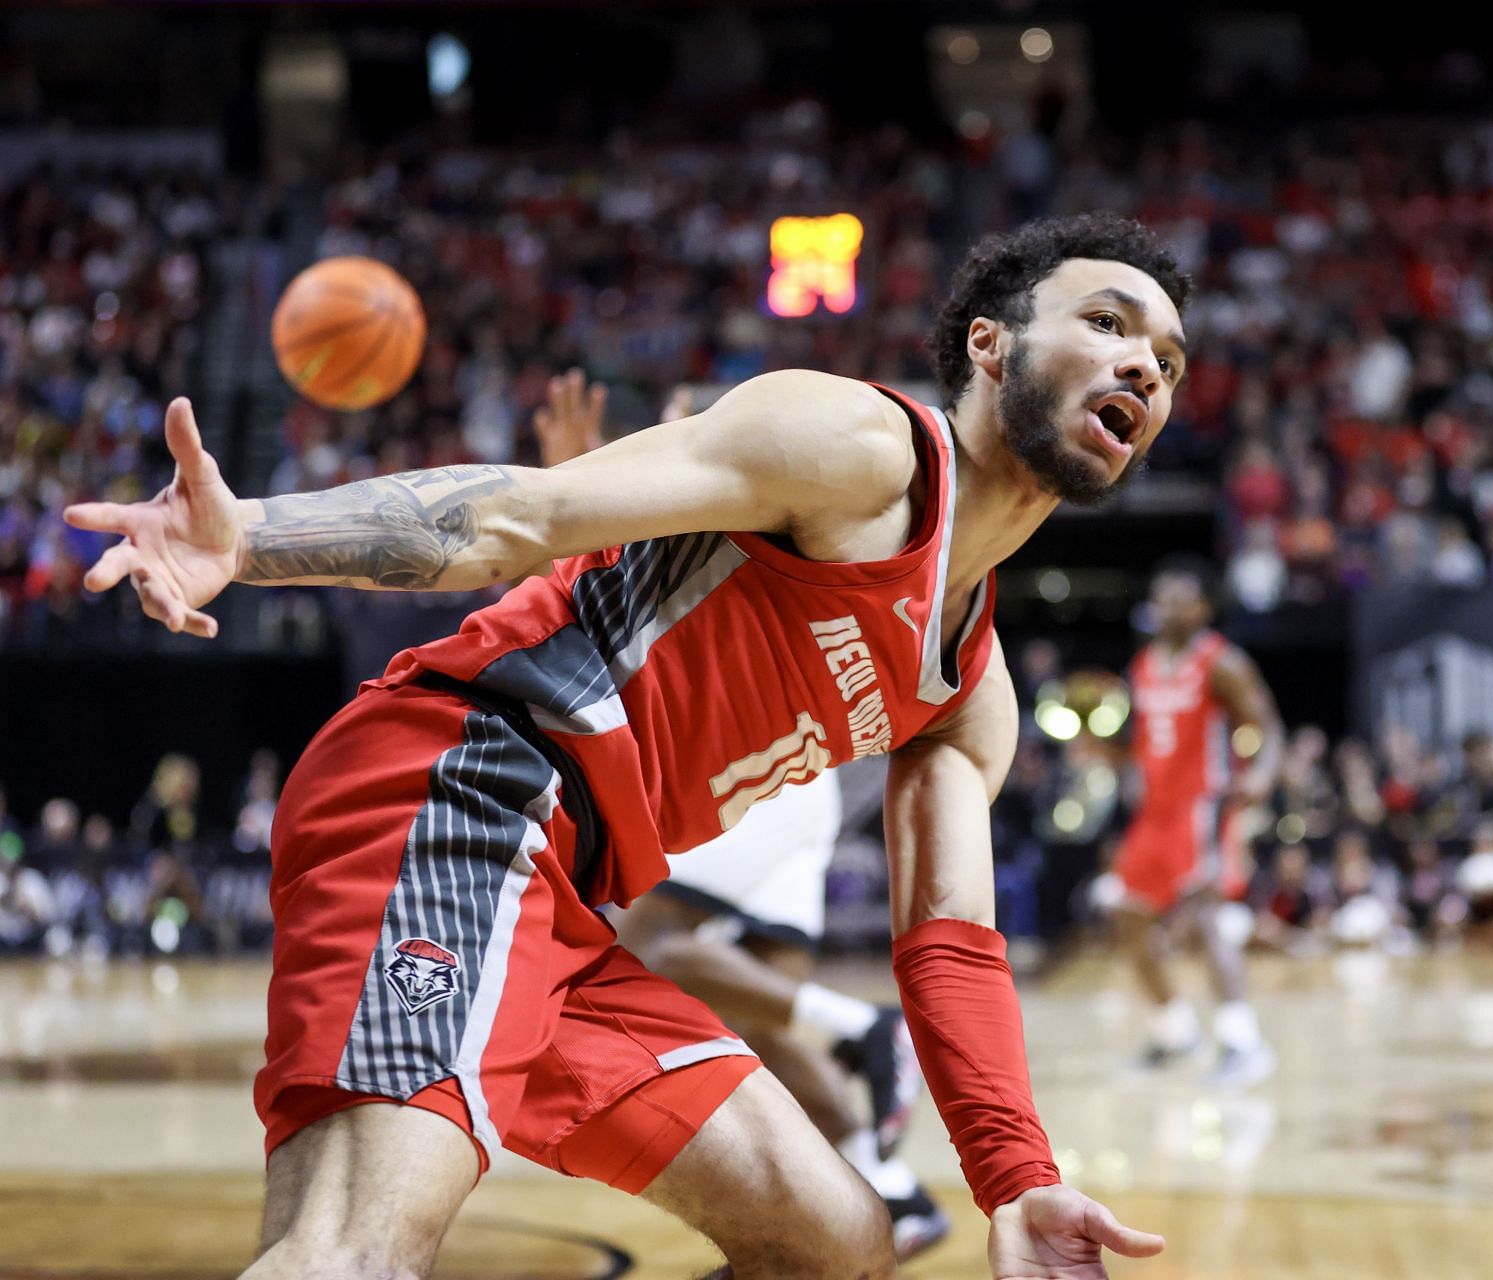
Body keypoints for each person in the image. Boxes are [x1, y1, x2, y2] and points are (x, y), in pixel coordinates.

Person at [67, 212, 1180, 1279]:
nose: (1145, 366)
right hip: (462, 783)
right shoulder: (859, 448)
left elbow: (949, 941)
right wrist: (251, 535)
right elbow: (524, 515)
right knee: (354, 1249)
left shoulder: (971, 692)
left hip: (571, 900)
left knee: (837, 1242)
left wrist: (1015, 1180)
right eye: (1109, 322)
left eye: (1169, 362)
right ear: (991, 343)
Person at [535, 375, 947, 1261]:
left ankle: (859, 1028)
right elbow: (602, 585)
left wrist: (576, 479)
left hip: (750, 772)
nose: (678, 425)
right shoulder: (742, 507)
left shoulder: (759, 492)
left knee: (650, 954)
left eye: (693, 411)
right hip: (793, 779)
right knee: (752, 1017)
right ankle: (890, 1186)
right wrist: (579, 472)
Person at [1109, 557, 1283, 1087]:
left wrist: (1262, 778)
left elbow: (1269, 726)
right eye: (1159, 595)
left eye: (1176, 597)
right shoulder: (1142, 664)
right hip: (1154, 814)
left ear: (1202, 609)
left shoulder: (1221, 662)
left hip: (1201, 810)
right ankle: (1175, 1035)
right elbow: (1145, 743)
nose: (1163, 606)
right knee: (1128, 917)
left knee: (1206, 921)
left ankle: (1244, 1044)